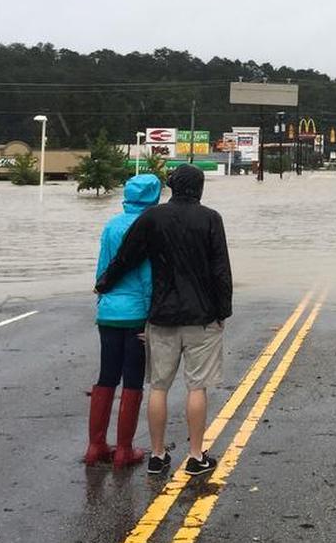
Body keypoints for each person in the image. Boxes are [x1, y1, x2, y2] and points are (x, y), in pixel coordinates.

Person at [95, 164, 232, 477]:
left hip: (161, 315)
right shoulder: (211, 218)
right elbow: (221, 271)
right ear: (199, 189)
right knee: (197, 387)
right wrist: (223, 311)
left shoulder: (152, 217)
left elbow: (126, 258)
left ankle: (157, 456)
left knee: (158, 387)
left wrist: (104, 282)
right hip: (201, 316)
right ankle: (196, 456)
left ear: (171, 187)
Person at [86, 173, 162, 469]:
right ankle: (124, 450)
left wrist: (102, 302)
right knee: (132, 379)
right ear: (154, 198)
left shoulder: (111, 225)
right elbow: (148, 277)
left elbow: (103, 268)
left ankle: (95, 445)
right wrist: (151, 315)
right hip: (136, 314)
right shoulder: (150, 227)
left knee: (106, 375)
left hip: (109, 311)